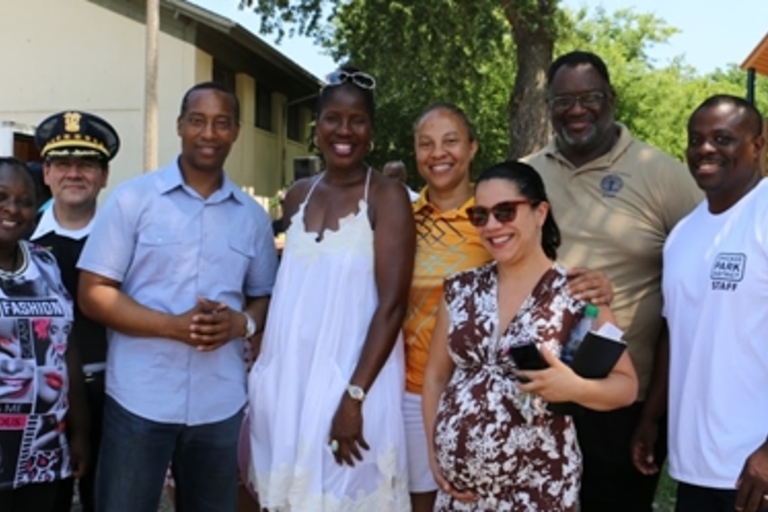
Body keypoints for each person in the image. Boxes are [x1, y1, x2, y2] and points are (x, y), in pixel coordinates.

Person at [77, 82, 278, 512]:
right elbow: (93, 294)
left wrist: (241, 324)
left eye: (221, 123)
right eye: (198, 120)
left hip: (219, 405)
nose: (209, 133)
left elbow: (264, 296)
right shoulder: (134, 200)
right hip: (139, 398)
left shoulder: (253, 219)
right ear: (180, 125)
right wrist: (173, 326)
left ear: (236, 131)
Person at [405, 102, 614, 512]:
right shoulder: (461, 288)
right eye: (481, 216)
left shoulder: (576, 294)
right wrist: (435, 450)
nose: (492, 226)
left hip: (537, 487)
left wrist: (577, 388)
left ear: (540, 212)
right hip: (462, 494)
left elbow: (625, 385)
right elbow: (436, 377)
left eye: (505, 212)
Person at [523, 50, 702, 512]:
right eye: (563, 100)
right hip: (537, 393)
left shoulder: (661, 174)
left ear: (612, 99)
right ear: (548, 106)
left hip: (624, 400)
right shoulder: (528, 175)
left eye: (590, 97)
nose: (577, 110)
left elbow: (706, 257)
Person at [248, 66, 415, 510]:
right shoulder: (297, 195)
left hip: (355, 383)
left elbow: (392, 307)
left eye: (357, 120)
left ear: (372, 130)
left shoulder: (387, 196)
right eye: (332, 119)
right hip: (291, 384)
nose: (344, 131)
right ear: (316, 128)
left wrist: (353, 398)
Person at [654, 95, 768, 512]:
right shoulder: (683, 234)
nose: (705, 149)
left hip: (755, 474)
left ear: (757, 144)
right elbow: (677, 332)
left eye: (723, 138)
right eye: (695, 139)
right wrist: (651, 420)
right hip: (694, 468)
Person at [29, 110, 118, 512]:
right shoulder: (20, 236)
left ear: (104, 176)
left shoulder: (128, 239)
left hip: (114, 392)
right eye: (62, 164)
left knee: (111, 501)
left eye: (87, 164)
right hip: (39, 399)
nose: (74, 173)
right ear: (46, 173)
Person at [0, 157, 89, 511]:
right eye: (2, 197)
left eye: (25, 200)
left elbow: (66, 349)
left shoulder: (46, 264)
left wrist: (80, 432)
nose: (13, 209)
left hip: (45, 452)